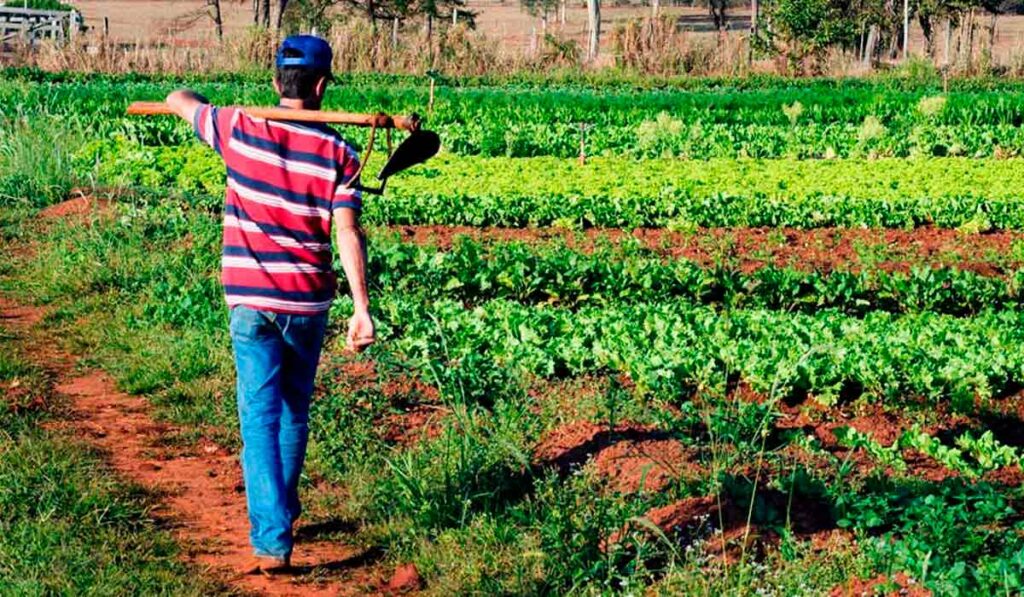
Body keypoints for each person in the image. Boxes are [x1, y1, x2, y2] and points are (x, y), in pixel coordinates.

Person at [165, 34, 375, 575]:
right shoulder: (340, 152)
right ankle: (278, 518)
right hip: (308, 300)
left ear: (275, 82)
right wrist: (361, 307)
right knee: (292, 413)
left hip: (250, 299)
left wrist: (193, 99)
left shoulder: (236, 127)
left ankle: (273, 538)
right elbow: (348, 233)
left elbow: (177, 98)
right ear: (323, 86)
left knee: (260, 417)